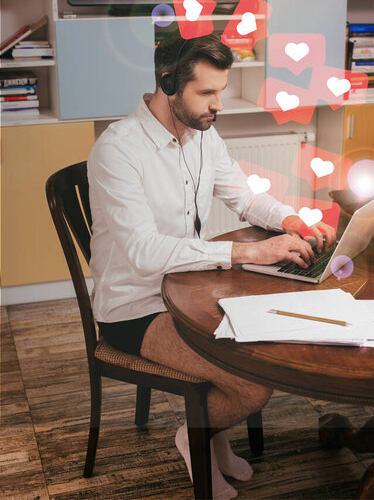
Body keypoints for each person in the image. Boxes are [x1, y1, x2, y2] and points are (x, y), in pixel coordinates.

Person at [87, 32, 336, 500]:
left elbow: (241, 196)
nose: (217, 104)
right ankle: (193, 436)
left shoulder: (202, 132)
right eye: (206, 92)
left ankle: (215, 438)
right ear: (168, 83)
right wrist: (248, 253)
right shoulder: (117, 151)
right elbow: (143, 251)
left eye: (220, 91)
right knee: (251, 381)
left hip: (190, 289)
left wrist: (290, 220)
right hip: (134, 308)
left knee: (266, 344)